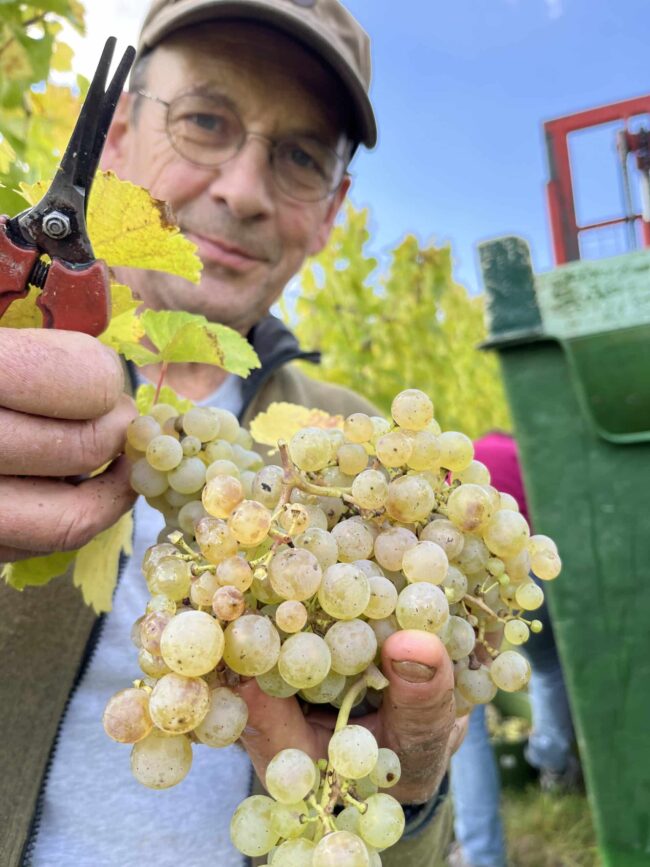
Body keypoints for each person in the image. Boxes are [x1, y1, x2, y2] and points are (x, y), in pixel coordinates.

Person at [0, 3, 465, 865]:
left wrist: (409, 798)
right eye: (206, 120)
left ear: (333, 210)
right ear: (114, 136)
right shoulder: (10, 338)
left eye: (298, 157)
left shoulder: (359, 458)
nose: (244, 190)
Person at [449, 431, 577, 867]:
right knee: (547, 668)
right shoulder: (524, 454)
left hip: (467, 579)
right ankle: (553, 765)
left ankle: (483, 856)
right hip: (528, 577)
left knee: (467, 719)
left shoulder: (464, 456)